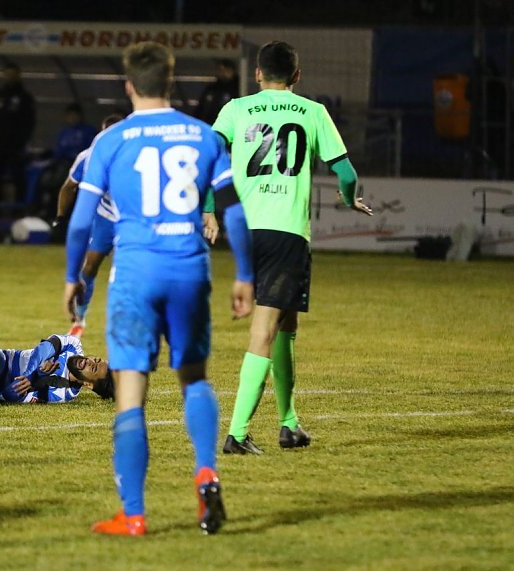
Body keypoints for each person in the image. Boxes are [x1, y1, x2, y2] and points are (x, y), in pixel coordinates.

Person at [62, 41, 254, 536]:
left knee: (130, 393)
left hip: (136, 275)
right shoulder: (205, 137)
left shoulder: (111, 141)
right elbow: (233, 210)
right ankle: (207, 473)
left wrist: (73, 276)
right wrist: (246, 274)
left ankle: (134, 513)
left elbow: (82, 219)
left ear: (129, 86)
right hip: (189, 269)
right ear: (172, 82)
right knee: (194, 379)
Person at [211, 40, 373, 455]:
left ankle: (288, 424)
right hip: (285, 232)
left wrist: (209, 208)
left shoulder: (235, 109)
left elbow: (207, 156)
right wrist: (347, 196)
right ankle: (238, 434)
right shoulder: (314, 112)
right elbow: (346, 171)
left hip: (246, 230)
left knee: (286, 324)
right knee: (264, 330)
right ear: (297, 76)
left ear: (258, 74)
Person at [53, 113, 222, 339]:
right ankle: (80, 320)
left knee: (142, 268)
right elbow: (69, 187)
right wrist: (60, 217)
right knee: (90, 266)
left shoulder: (139, 150)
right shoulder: (90, 156)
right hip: (106, 217)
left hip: (136, 218)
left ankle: (157, 319)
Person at [0, 62, 35, 204]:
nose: (10, 78)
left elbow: (29, 121)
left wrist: (23, 140)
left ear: (18, 76)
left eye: (13, 75)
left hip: (16, 145)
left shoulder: (24, 97)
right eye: (7, 75)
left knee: (18, 176)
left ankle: (19, 208)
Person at [194, 59, 240, 126]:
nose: (223, 73)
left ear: (232, 71)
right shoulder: (211, 89)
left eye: (226, 70)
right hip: (210, 125)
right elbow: (200, 108)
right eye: (220, 70)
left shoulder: (239, 88)